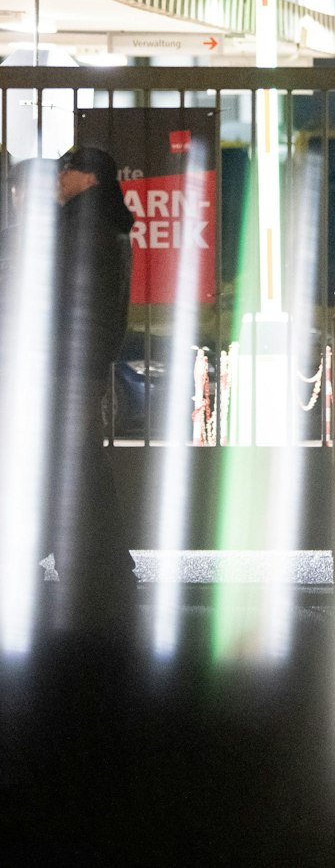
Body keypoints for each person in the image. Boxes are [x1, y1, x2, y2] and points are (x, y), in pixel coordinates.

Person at [45, 145, 138, 631]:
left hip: (67, 364)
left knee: (70, 461)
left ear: (90, 179)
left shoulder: (80, 229)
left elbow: (59, 299)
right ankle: (105, 561)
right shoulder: (114, 230)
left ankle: (81, 558)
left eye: (68, 170)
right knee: (82, 460)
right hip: (91, 364)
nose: (59, 177)